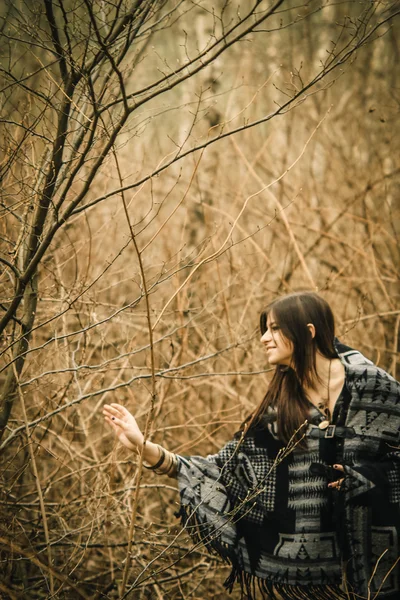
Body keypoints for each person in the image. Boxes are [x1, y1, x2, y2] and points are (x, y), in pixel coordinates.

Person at [103, 292, 400, 600]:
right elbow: (224, 469)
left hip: (385, 563)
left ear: (309, 332)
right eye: (264, 329)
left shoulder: (373, 387)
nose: (263, 338)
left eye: (274, 328)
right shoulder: (281, 408)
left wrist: (367, 481)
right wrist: (143, 447)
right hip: (325, 582)